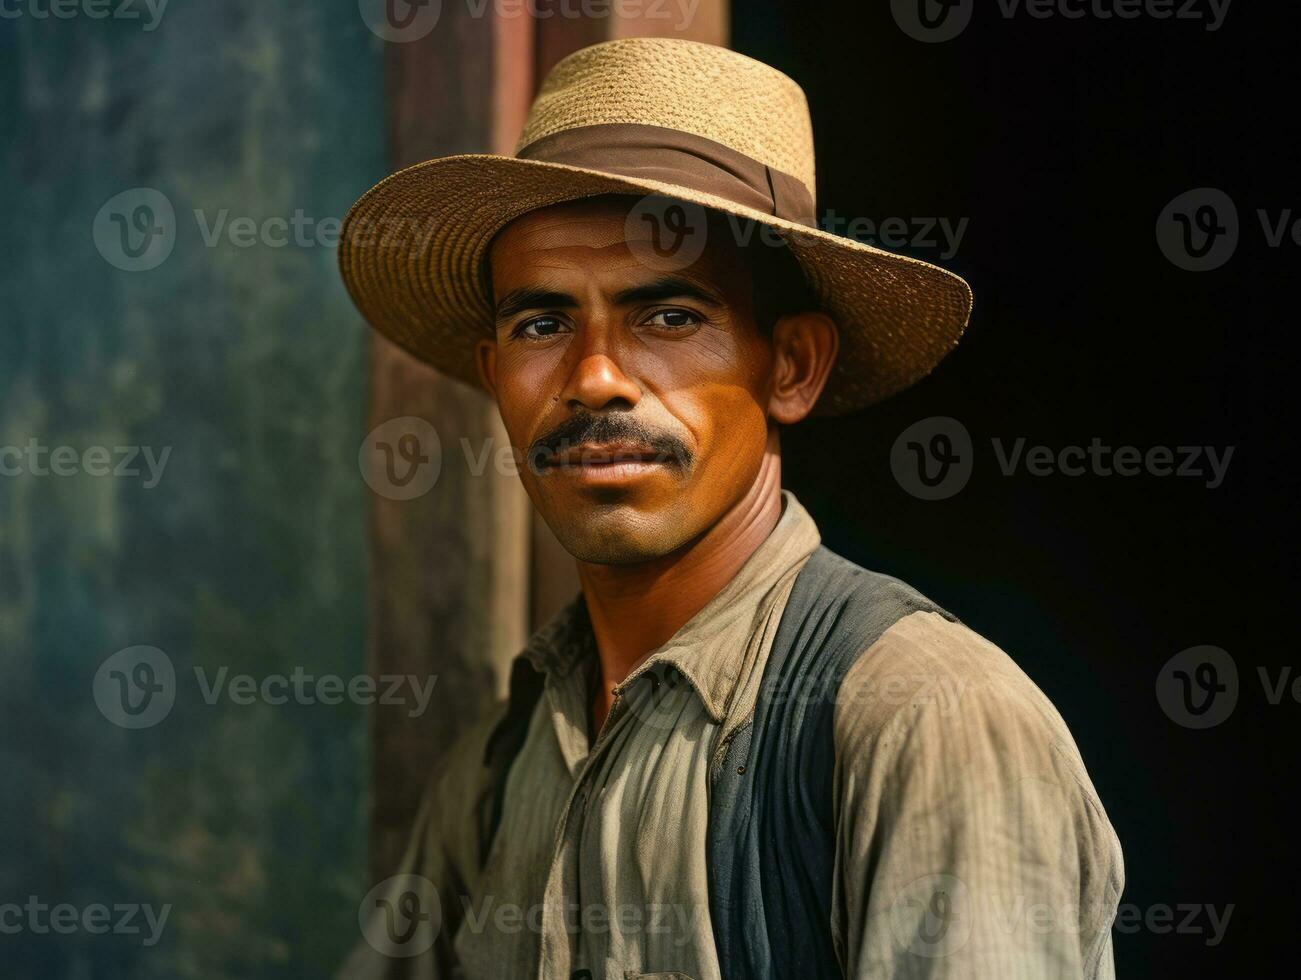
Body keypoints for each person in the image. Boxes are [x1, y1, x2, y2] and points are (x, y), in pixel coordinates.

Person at [338, 36, 1123, 980]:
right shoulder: (503, 767)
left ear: (790, 366)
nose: (593, 379)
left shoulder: (920, 720)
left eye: (668, 317)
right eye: (541, 323)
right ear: (492, 372)